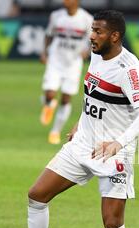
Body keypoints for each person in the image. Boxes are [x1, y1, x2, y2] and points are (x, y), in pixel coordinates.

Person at [27, 10, 139, 228]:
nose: (91, 36)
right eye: (91, 30)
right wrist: (79, 122)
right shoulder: (96, 55)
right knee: (37, 195)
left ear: (115, 36)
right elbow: (92, 97)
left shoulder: (129, 69)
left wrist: (118, 143)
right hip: (83, 143)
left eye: (97, 31)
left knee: (112, 222)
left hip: (113, 153)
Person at [40, 0, 93, 144]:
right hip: (55, 60)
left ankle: (55, 131)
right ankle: (49, 104)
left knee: (65, 98)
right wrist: (44, 53)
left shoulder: (86, 19)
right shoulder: (56, 16)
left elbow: (93, 39)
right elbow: (49, 35)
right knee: (50, 94)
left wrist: (87, 52)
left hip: (73, 63)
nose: (65, 1)